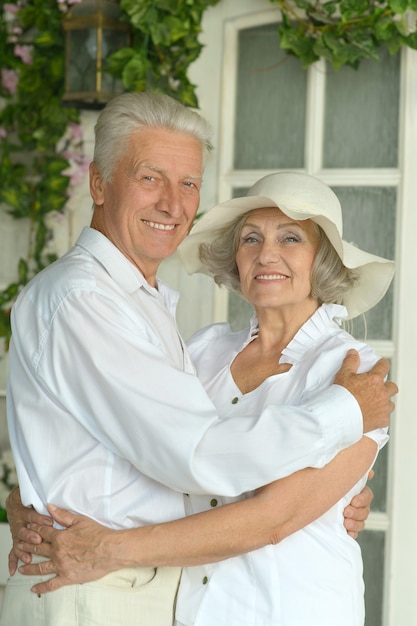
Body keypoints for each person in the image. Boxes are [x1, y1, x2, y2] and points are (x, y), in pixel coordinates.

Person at [1, 93, 396, 626]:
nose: (267, 254)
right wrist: (31, 494)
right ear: (98, 183)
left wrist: (345, 490)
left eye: (292, 238)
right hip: (159, 602)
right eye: (251, 237)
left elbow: (272, 519)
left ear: (323, 257)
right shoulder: (196, 347)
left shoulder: (354, 373)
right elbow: (187, 456)